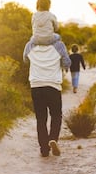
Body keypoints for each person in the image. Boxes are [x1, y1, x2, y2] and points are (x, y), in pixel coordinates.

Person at [23, 28, 71, 157]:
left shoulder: (30, 45)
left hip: (36, 86)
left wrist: (37, 60)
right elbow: (67, 63)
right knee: (56, 115)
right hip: (53, 86)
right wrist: (60, 63)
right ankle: (53, 139)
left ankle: (44, 149)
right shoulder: (59, 45)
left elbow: (25, 60)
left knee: (41, 119)